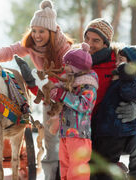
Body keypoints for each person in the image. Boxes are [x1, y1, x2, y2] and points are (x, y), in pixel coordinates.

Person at [0, 0, 73, 180]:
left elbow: (69, 76)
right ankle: (52, 177)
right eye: (34, 30)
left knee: (66, 141)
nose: (36, 35)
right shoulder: (32, 45)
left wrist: (35, 81)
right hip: (46, 97)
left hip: (67, 96)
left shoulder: (63, 49)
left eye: (41, 31)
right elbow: (12, 49)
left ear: (51, 32)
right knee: (50, 141)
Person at [82, 18, 136, 180]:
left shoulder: (119, 60)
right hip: (85, 129)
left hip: (114, 128)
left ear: (106, 43)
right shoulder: (77, 59)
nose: (89, 44)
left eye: (96, 41)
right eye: (86, 38)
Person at [49, 42, 99, 180]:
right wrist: (56, 95)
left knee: (77, 171)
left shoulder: (88, 85)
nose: (65, 67)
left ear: (77, 67)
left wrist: (63, 95)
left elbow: (85, 105)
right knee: (65, 169)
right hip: (66, 134)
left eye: (68, 64)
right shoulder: (71, 84)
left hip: (79, 136)